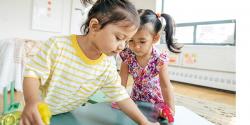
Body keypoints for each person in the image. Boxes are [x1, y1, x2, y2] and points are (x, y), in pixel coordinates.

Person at [20, 1, 159, 125]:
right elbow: (32, 74)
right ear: (94, 26)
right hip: (37, 113)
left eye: (126, 41)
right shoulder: (57, 46)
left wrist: (144, 122)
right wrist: (32, 102)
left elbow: (121, 96)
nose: (123, 46)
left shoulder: (107, 66)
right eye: (119, 38)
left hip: (66, 115)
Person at [118, 9, 182, 119]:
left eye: (142, 41)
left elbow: (166, 87)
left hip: (156, 101)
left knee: (159, 118)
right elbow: (121, 81)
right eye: (131, 41)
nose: (136, 46)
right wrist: (119, 100)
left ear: (155, 38)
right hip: (136, 98)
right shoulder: (127, 56)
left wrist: (171, 109)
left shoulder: (159, 59)